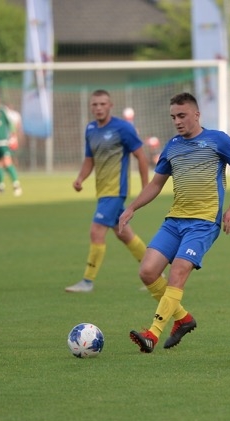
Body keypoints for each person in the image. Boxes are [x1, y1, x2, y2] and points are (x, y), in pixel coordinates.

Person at [118, 92, 230, 353]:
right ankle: (183, 319)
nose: (177, 121)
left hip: (203, 223)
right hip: (174, 221)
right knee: (147, 272)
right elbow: (156, 184)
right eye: (173, 117)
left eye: (182, 115)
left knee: (178, 271)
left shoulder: (217, 140)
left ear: (196, 114)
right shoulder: (173, 146)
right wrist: (132, 207)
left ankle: (152, 334)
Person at [67, 90, 150, 293]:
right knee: (125, 234)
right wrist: (80, 178)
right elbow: (89, 159)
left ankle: (87, 281)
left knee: (96, 232)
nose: (98, 108)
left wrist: (146, 186)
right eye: (94, 104)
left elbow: (141, 156)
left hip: (115, 191)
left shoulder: (122, 128)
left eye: (102, 104)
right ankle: (155, 272)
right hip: (102, 191)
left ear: (110, 105)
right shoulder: (91, 129)